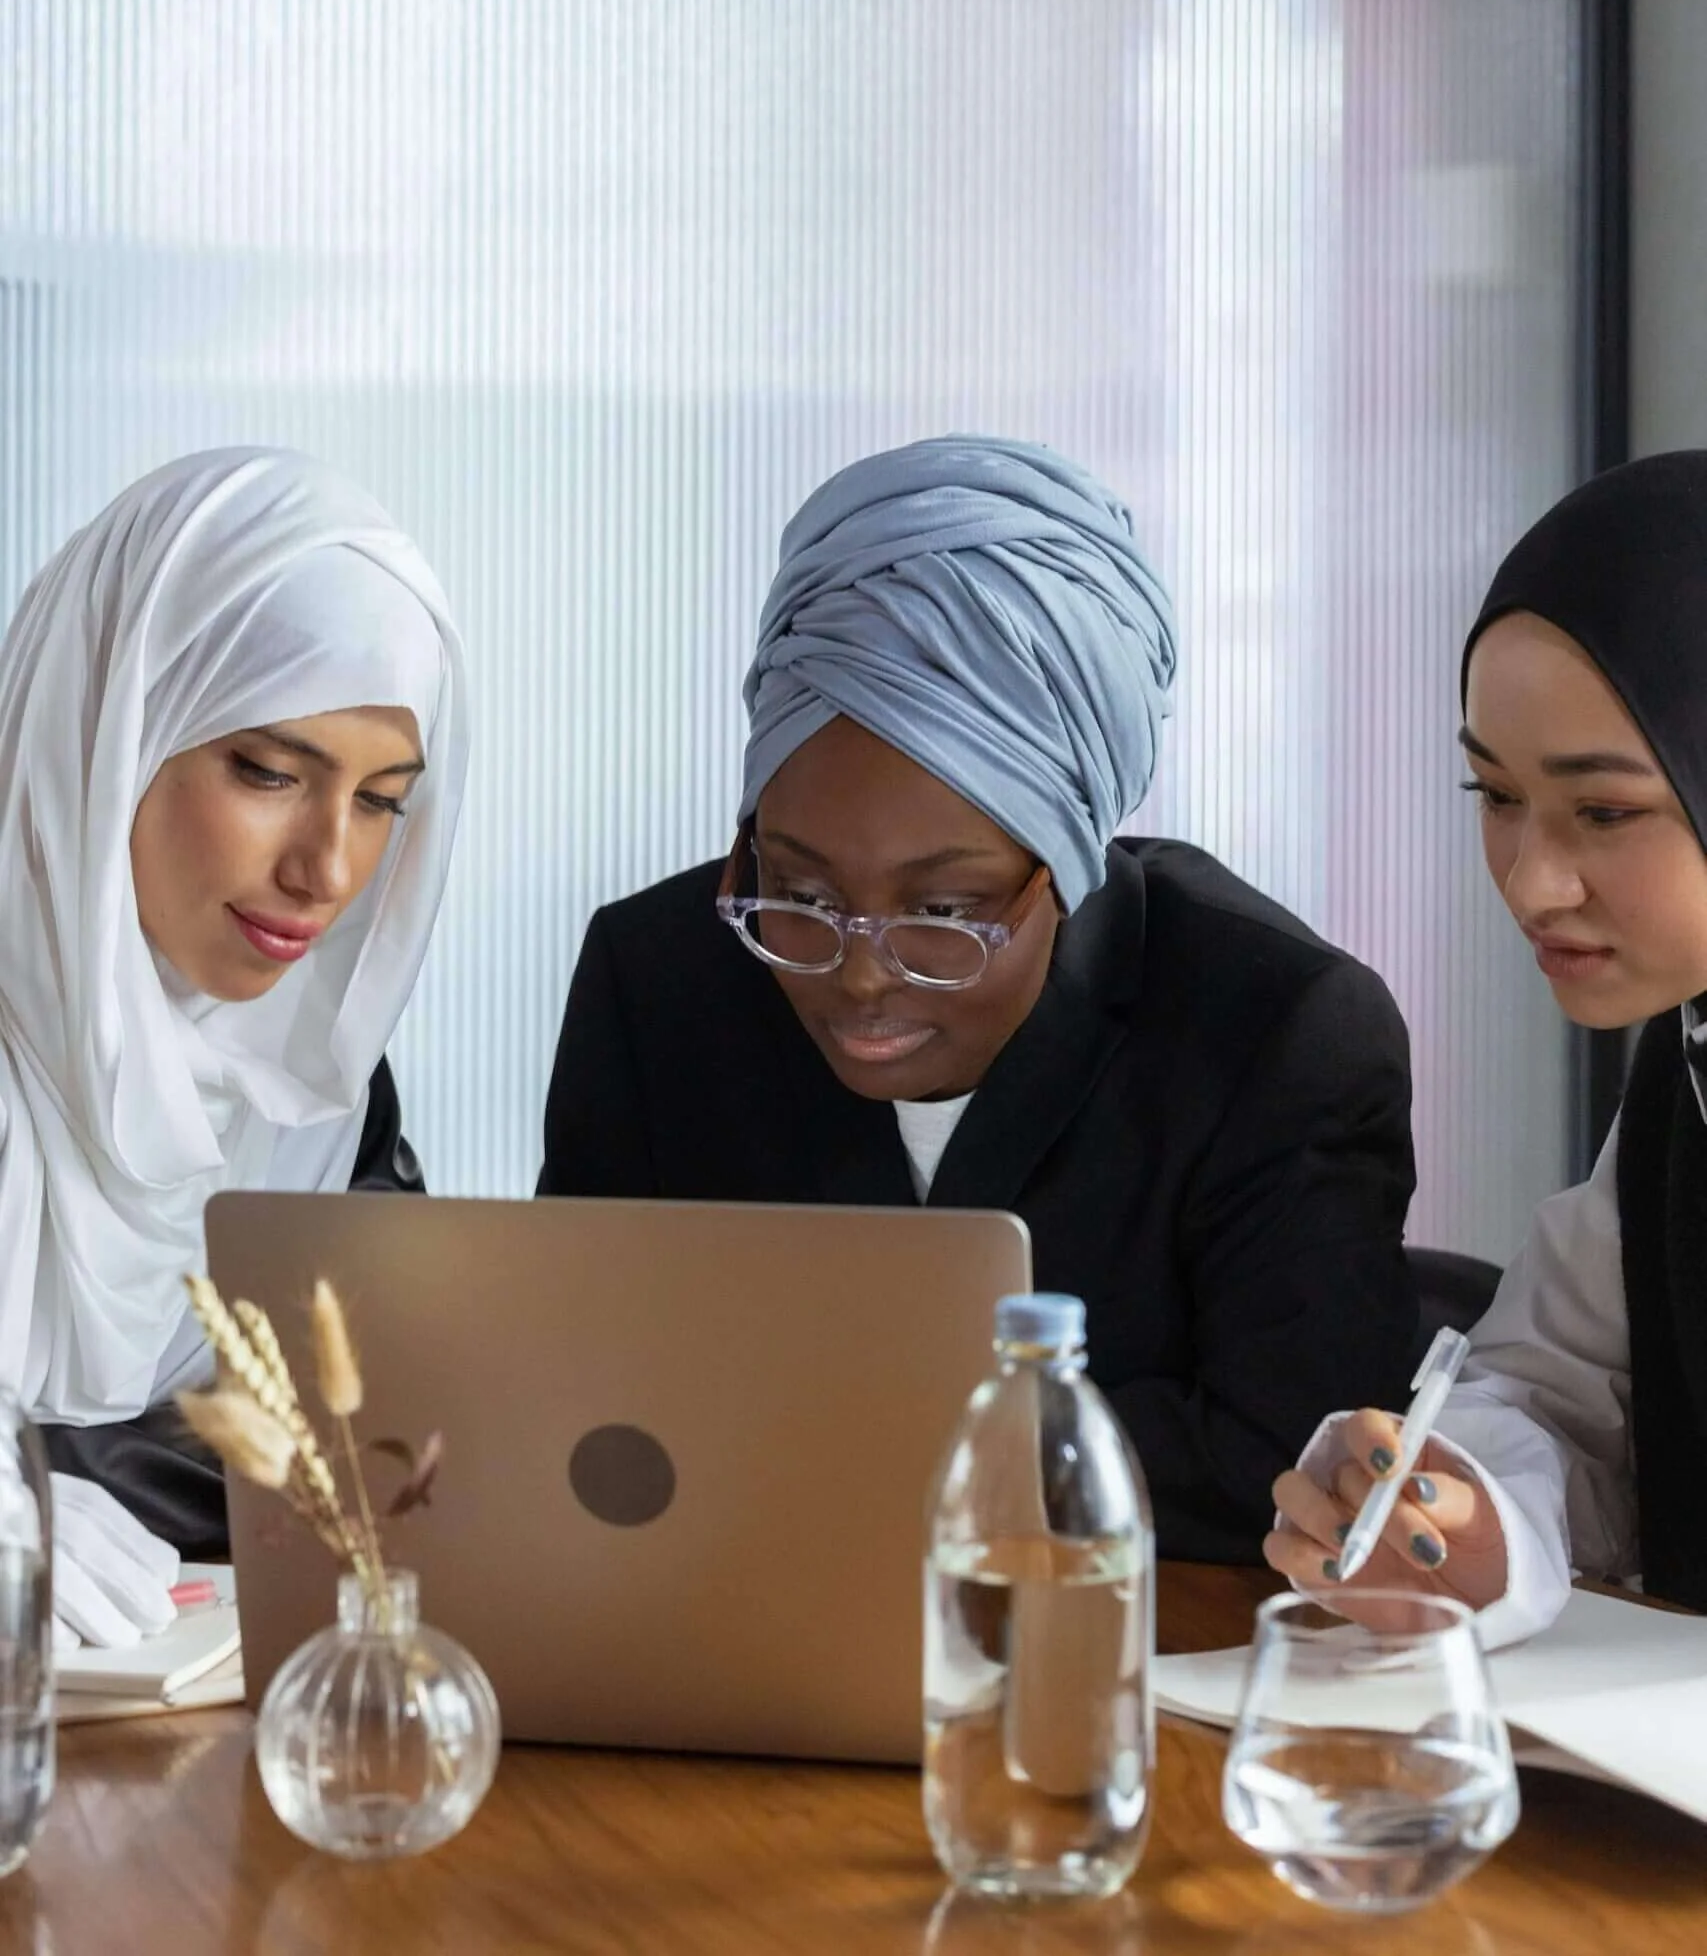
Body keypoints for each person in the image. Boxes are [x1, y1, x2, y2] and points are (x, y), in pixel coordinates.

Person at [539, 434, 1417, 1561]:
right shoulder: (658, 981)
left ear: (1070, 867)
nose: (859, 974)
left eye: (944, 914)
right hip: (722, 1633)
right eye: (798, 888)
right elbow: (573, 1392)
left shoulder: (1273, 1034)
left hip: (1127, 1671)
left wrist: (824, 1440)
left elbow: (1287, 1467)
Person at [0, 447, 466, 1645]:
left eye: (381, 801)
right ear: (109, 731)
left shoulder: (313, 1082)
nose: (329, 869)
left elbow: (399, 1454)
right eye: (269, 770)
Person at [1268, 450, 1707, 1642]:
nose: (1532, 881)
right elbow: (1565, 1398)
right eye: (1495, 796)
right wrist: (1468, 1523)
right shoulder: (1686, 1071)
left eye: (1605, 811)